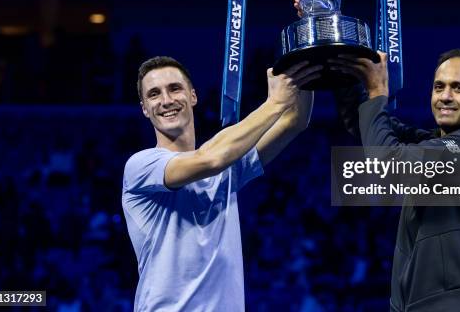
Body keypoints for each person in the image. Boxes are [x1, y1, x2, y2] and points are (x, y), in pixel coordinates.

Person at [122, 56, 321, 311]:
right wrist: (274, 103)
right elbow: (211, 158)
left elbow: (296, 121)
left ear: (193, 96)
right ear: (145, 109)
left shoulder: (226, 165)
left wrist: (304, 58)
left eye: (174, 88)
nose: (166, 100)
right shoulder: (141, 166)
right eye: (154, 94)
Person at [329, 49, 460, 311]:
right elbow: (366, 125)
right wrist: (342, 67)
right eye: (439, 87)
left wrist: (379, 91)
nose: (445, 96)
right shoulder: (434, 145)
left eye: (458, 88)